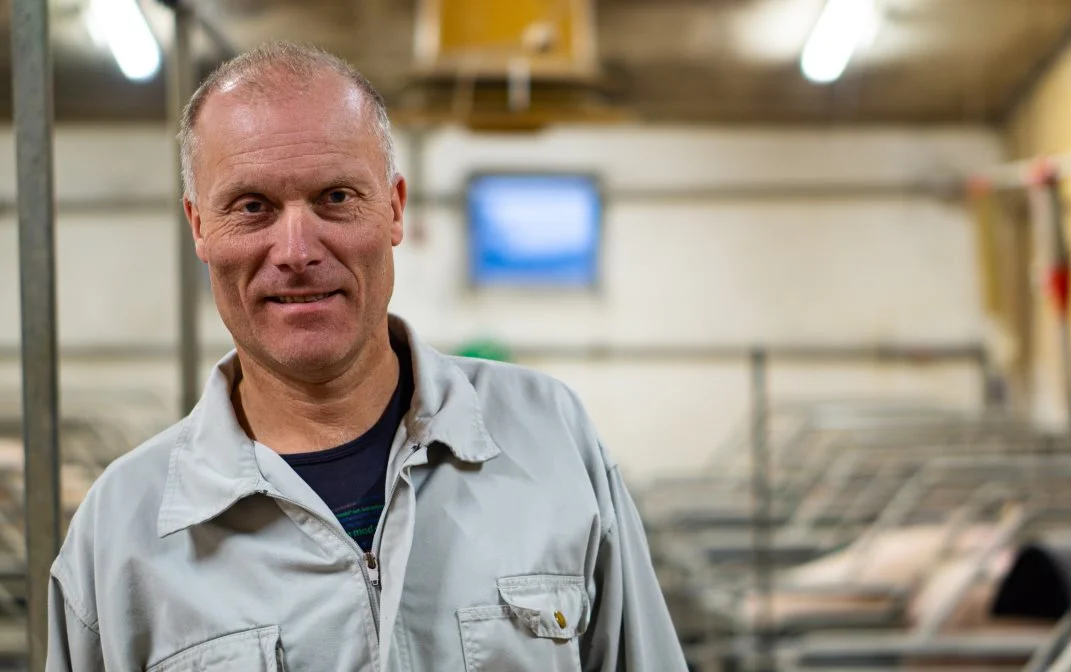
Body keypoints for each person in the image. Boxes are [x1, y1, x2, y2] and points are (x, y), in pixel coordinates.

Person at [47, 42, 688, 671]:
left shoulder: (549, 436)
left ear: (394, 208)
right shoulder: (121, 533)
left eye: (335, 197)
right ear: (198, 226)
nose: (297, 250)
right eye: (252, 207)